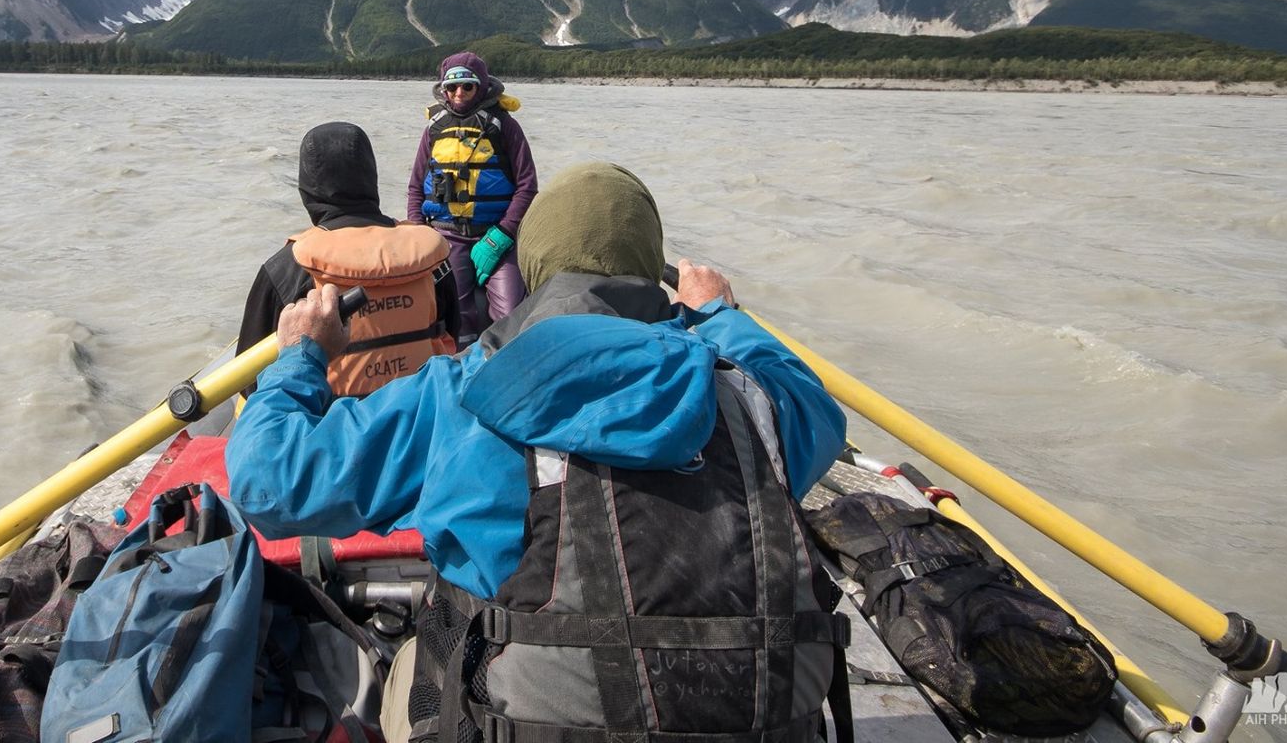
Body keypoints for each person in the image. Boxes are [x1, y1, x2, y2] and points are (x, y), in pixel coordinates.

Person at [229, 163, 850, 743]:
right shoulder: (754, 398)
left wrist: (302, 358)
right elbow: (819, 409)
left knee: (407, 664)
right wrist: (719, 314)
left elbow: (269, 484)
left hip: (525, 725)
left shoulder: (458, 393)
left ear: (531, 269)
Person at [238, 121, 460, 397]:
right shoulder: (431, 260)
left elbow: (249, 383)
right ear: (371, 177)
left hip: (331, 428)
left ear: (307, 188)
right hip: (422, 411)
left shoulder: (285, 269)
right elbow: (453, 332)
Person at [405, 51, 537, 343]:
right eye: (451, 87)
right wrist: (420, 234)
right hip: (448, 237)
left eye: (468, 85)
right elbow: (415, 188)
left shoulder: (505, 126)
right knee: (456, 314)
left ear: (482, 86)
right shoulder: (434, 129)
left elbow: (527, 186)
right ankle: (462, 370)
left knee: (511, 312)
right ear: (444, 89)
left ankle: (506, 365)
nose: (459, 93)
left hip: (497, 237)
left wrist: (501, 236)